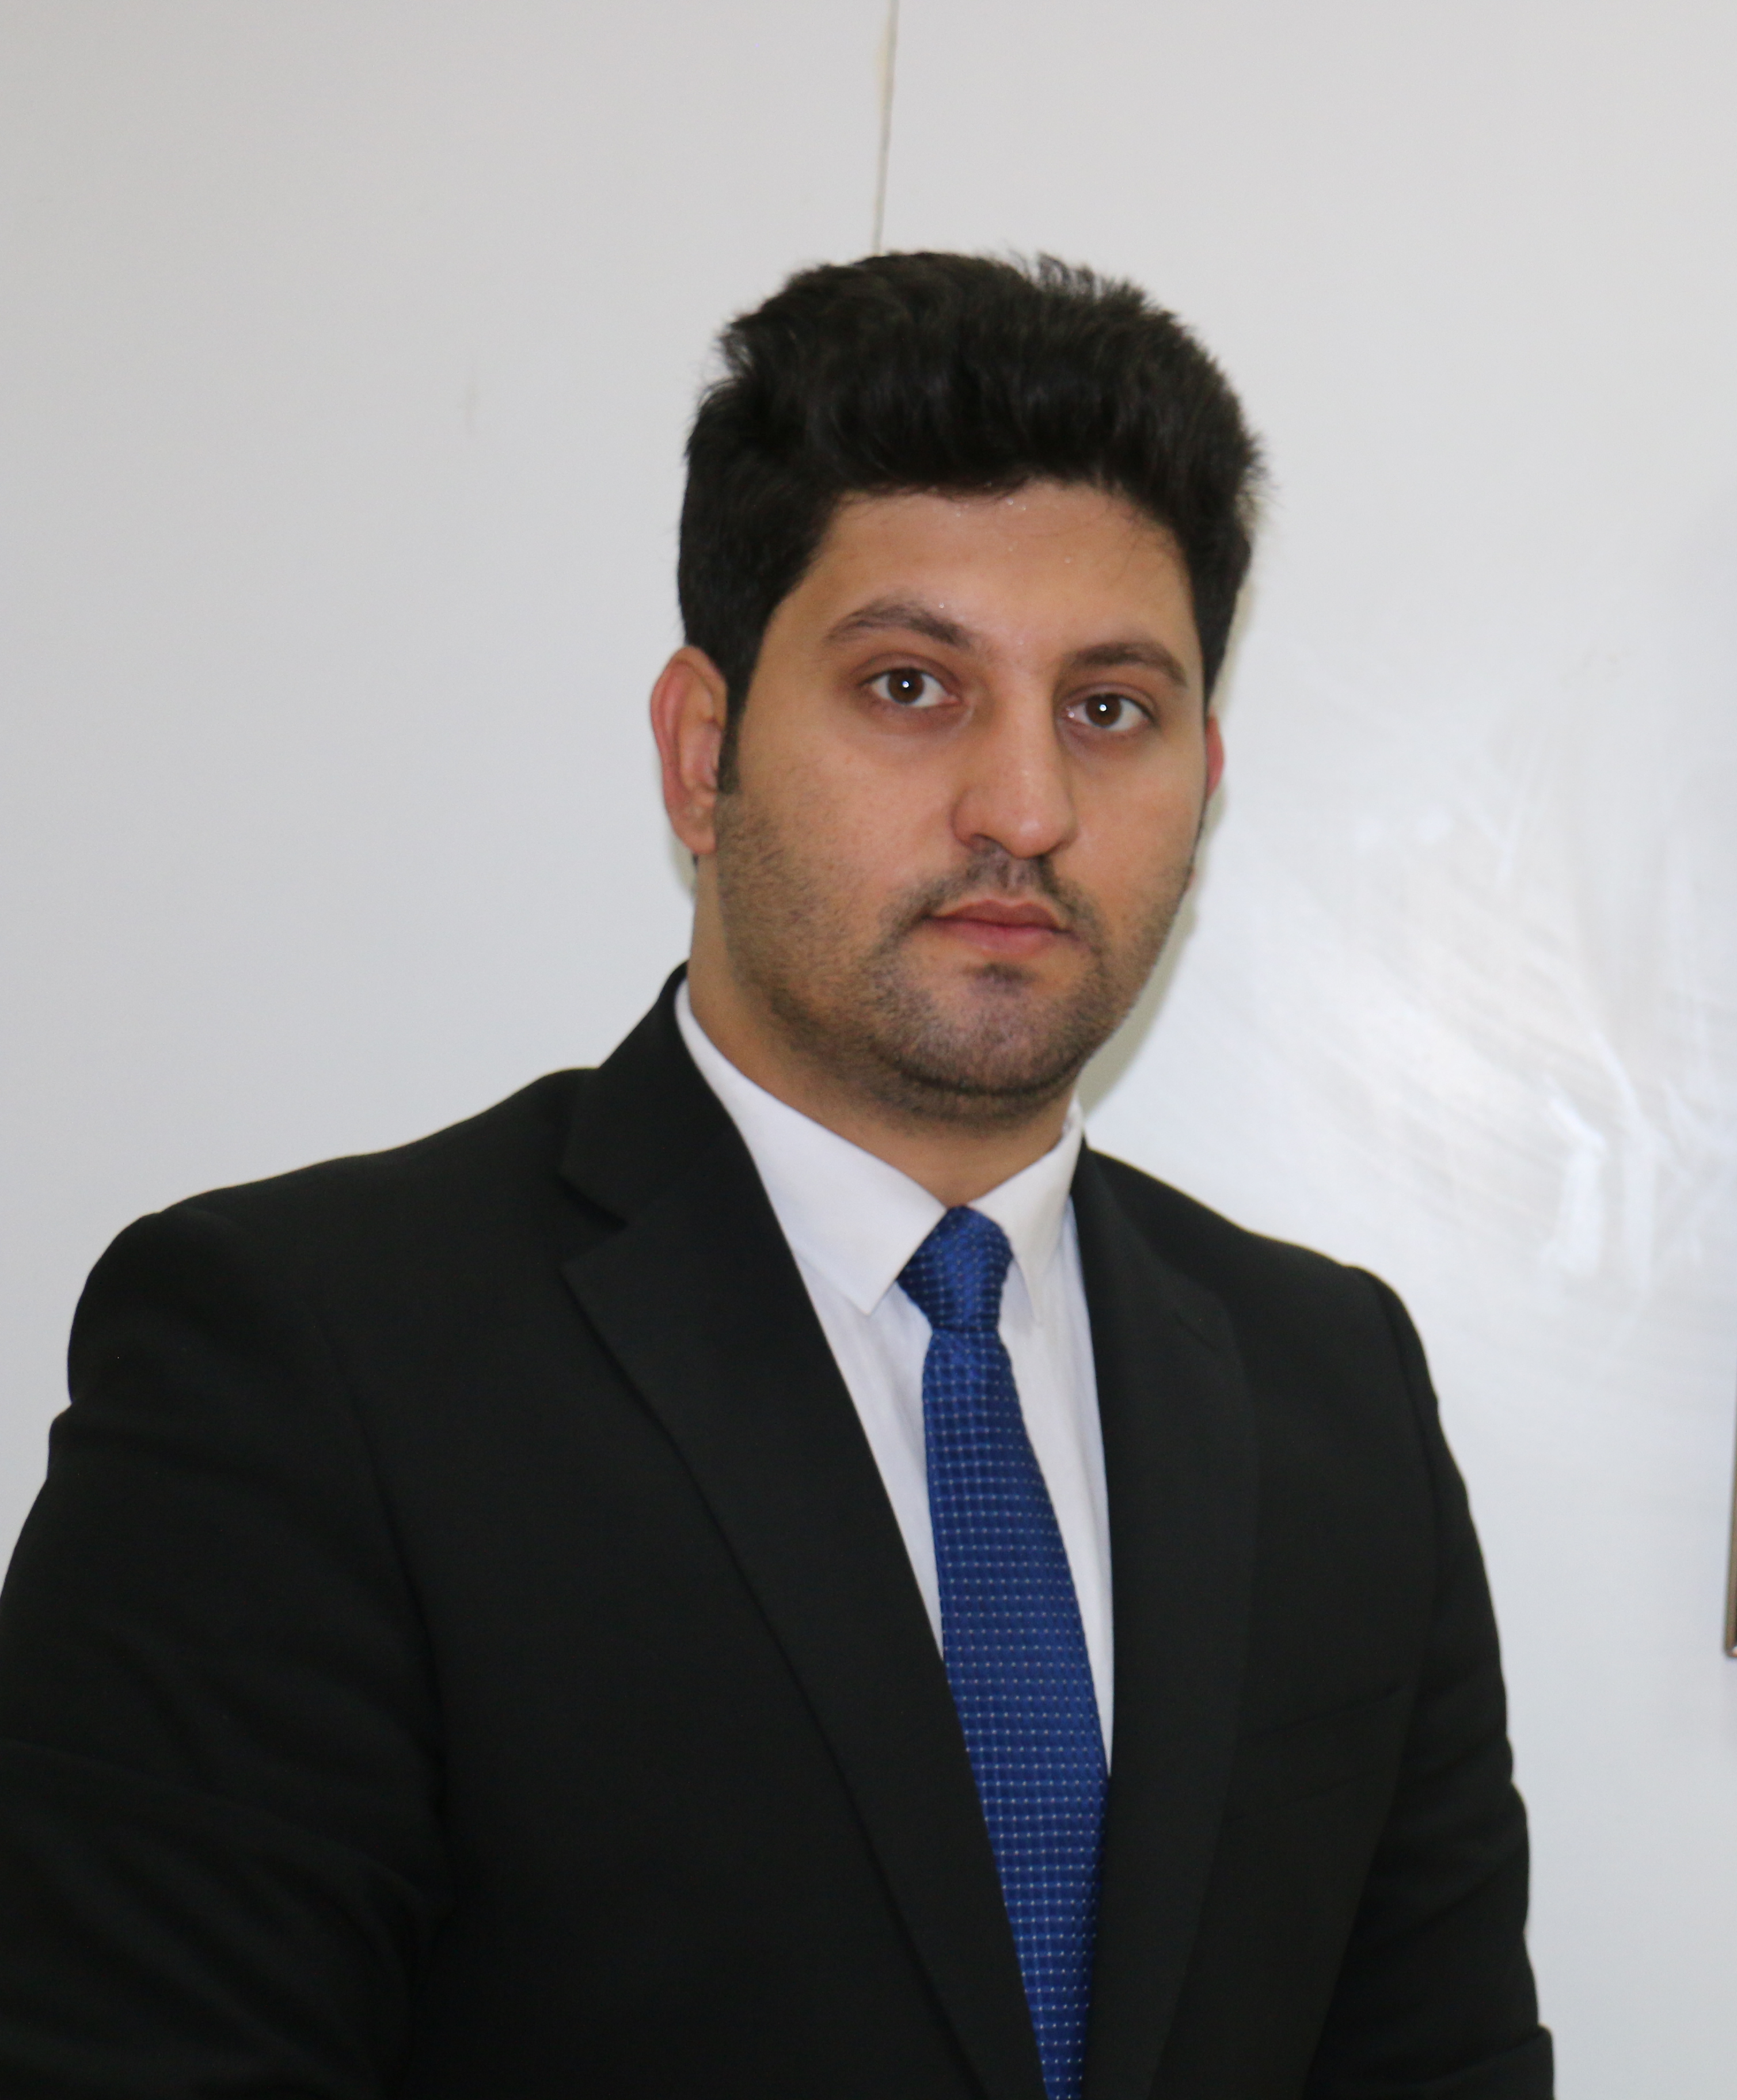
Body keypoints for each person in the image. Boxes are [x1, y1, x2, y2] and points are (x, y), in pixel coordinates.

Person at [0, 253, 1550, 2100]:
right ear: (700, 752)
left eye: (1110, 709)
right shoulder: (304, 1364)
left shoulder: (1336, 1395)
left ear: (1205, 783)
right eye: (912, 685)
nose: (1026, 807)